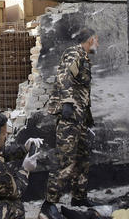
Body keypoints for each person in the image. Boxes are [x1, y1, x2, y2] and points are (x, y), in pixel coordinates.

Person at [41, 28, 99, 219]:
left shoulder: (84, 56)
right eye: (96, 40)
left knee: (82, 157)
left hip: (80, 117)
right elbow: (65, 76)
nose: (97, 44)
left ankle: (79, 197)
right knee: (65, 160)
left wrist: (87, 117)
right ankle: (48, 205)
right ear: (91, 40)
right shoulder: (74, 53)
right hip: (70, 116)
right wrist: (66, 102)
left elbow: (82, 90)